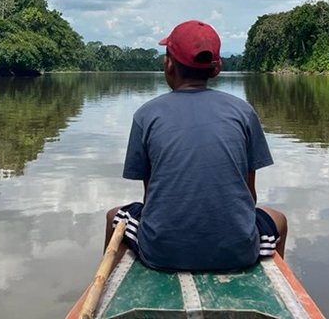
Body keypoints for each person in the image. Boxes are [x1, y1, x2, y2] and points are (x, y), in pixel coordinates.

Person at [105, 19, 287, 272]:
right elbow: (250, 195)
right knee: (279, 220)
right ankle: (272, 282)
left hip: (161, 253)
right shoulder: (243, 112)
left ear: (168, 64)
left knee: (113, 216)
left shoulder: (146, 115)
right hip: (238, 252)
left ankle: (106, 285)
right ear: (217, 68)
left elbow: (151, 197)